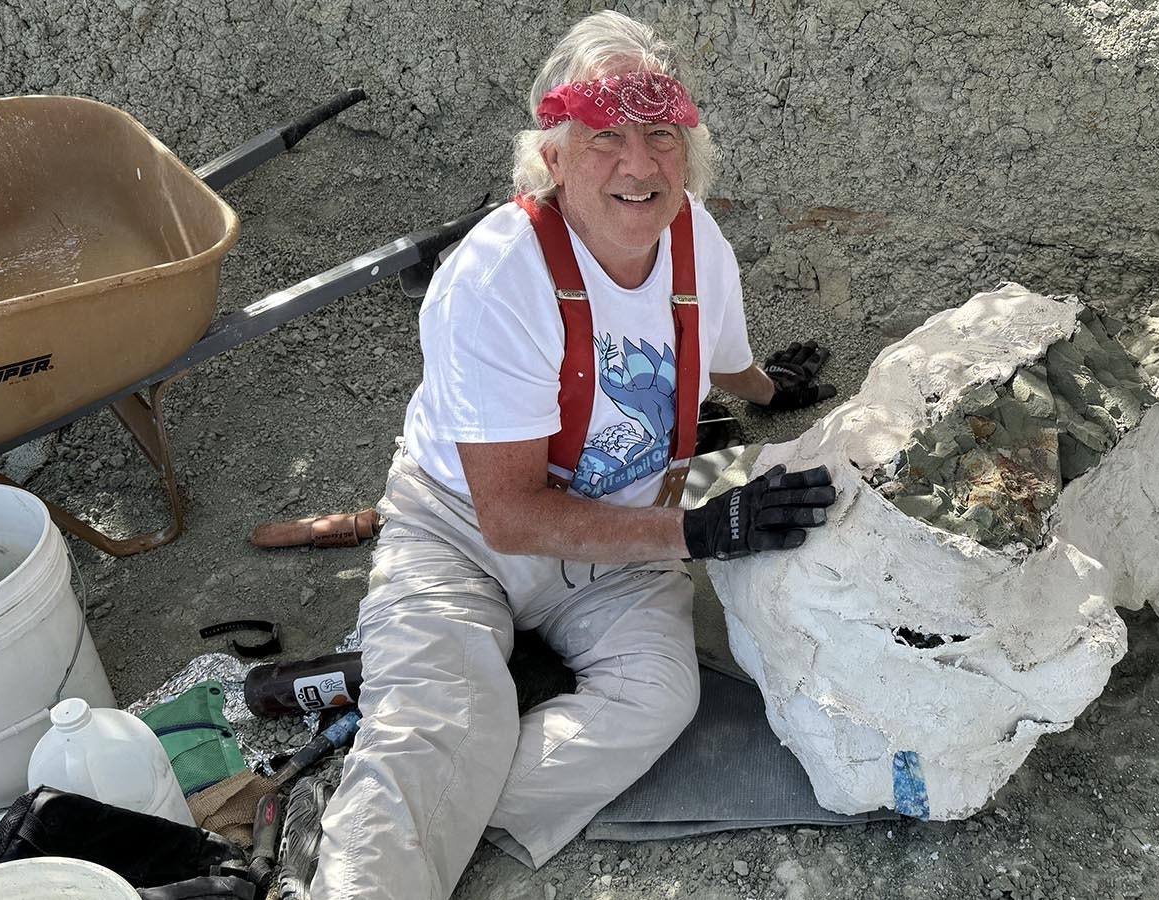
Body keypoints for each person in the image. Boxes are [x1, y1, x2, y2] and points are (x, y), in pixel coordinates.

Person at [304, 11, 839, 900]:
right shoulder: (494, 279)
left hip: (619, 531)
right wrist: (699, 534)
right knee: (435, 728)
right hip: (462, 532)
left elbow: (729, 358)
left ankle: (435, 807)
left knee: (658, 701)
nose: (639, 165)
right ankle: (398, 812)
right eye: (606, 139)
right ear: (553, 158)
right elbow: (509, 516)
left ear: (688, 152)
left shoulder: (697, 241)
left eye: (661, 136)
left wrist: (774, 393)